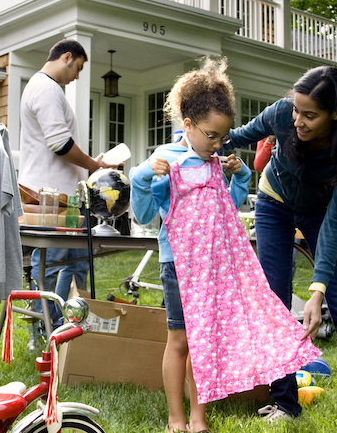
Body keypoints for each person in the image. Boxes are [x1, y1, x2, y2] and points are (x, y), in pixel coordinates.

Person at [131, 58, 317, 433]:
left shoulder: (214, 162)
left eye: (222, 137)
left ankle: (198, 418)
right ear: (187, 125)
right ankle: (175, 417)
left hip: (213, 267)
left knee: (202, 343)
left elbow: (225, 210)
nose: (217, 144)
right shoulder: (165, 160)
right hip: (178, 266)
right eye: (210, 136)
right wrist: (144, 176)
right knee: (180, 339)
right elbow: (143, 212)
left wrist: (243, 176)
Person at [225, 66, 337, 433]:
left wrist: (317, 292)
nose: (298, 120)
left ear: (336, 113)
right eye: (297, 111)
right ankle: (284, 400)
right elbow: (237, 135)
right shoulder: (283, 113)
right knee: (275, 301)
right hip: (274, 203)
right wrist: (196, 143)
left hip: (321, 214)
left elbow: (335, 223)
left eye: (309, 115)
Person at [17, 39, 109, 322]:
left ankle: (68, 324)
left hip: (65, 198)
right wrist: (94, 164)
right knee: (53, 263)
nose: (77, 76)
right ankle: (45, 328)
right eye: (78, 68)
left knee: (76, 263)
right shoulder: (45, 88)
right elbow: (59, 143)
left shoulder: (47, 88)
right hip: (52, 199)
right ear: (67, 57)